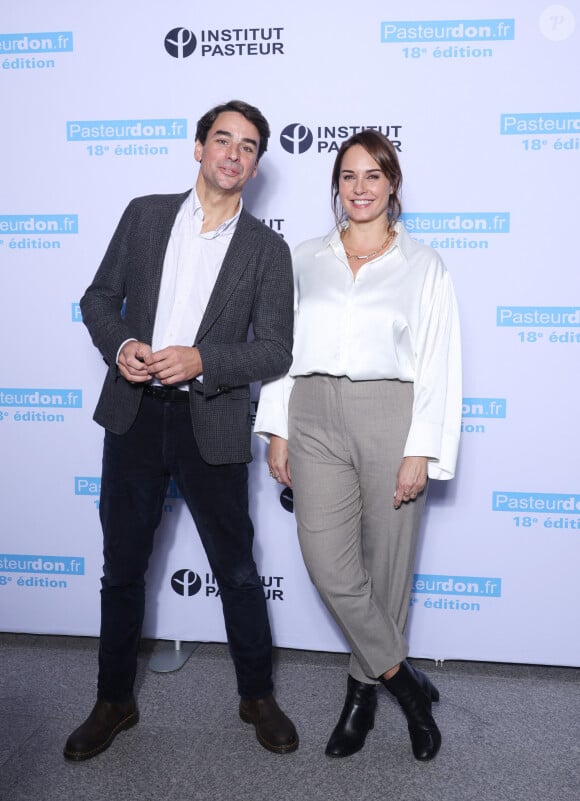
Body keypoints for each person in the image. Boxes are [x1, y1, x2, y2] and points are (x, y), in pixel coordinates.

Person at [64, 100, 298, 761]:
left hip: (212, 422)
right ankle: (115, 699)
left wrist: (204, 360)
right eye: (222, 139)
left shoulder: (267, 250)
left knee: (236, 568)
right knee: (123, 568)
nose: (233, 153)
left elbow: (276, 350)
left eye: (248, 146)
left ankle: (257, 694)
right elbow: (98, 299)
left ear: (255, 165)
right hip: (135, 416)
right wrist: (123, 344)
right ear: (198, 147)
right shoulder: (143, 215)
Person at [254, 130, 461, 761]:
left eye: (374, 176)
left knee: (388, 571)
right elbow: (280, 349)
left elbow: (439, 364)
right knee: (328, 564)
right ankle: (407, 685)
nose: (361, 188)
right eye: (349, 176)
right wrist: (278, 425)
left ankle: (361, 696)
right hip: (313, 411)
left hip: (390, 413)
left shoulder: (424, 265)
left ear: (393, 184)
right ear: (336, 187)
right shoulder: (303, 257)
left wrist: (421, 448)